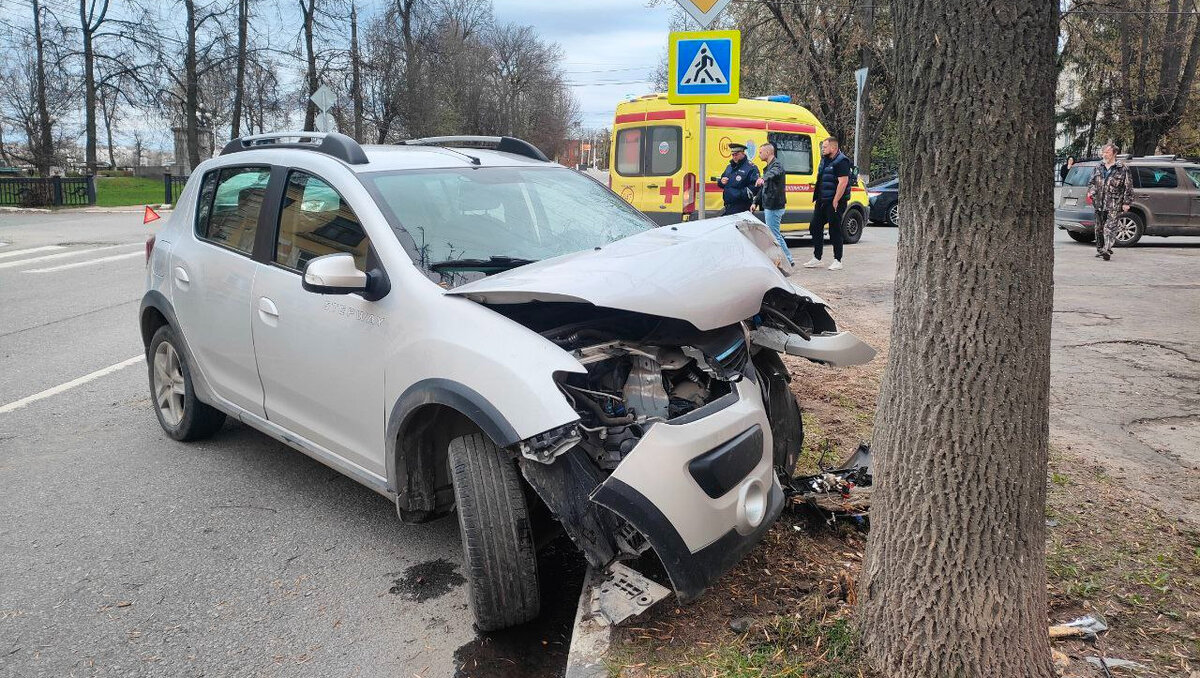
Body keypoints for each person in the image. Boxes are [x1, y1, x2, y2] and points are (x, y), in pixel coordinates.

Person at [801, 137, 851, 270]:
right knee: (814, 226)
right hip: (822, 200)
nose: (822, 149)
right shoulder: (824, 160)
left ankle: (838, 260)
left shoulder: (842, 161)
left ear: (833, 148)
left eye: (825, 147)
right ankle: (817, 257)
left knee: (835, 229)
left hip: (835, 202)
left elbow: (843, 182)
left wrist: (836, 200)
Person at [1086, 144, 1133, 261]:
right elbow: (1091, 182)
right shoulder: (1098, 167)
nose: (1104, 154)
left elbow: (1128, 186)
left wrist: (1126, 202)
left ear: (1114, 153)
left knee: (1109, 227)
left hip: (1114, 203)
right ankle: (1100, 249)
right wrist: (1091, 192)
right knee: (1099, 228)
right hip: (1099, 202)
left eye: (1107, 152)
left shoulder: (1122, 168)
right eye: (1103, 152)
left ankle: (1107, 249)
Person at [752, 142, 793, 265]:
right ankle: (783, 259)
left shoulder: (776, 165)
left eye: (760, 152)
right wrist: (755, 202)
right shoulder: (769, 167)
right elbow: (764, 188)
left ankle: (788, 259)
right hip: (770, 204)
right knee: (775, 233)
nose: (759, 155)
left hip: (774, 205)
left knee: (775, 234)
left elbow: (773, 174)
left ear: (768, 152)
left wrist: (763, 178)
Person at [718, 143, 759, 215]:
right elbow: (721, 181)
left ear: (743, 153)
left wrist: (737, 194)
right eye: (733, 155)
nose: (734, 157)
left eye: (736, 154)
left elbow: (754, 187)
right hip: (728, 206)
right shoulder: (729, 167)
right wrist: (721, 182)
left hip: (742, 208)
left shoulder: (751, 168)